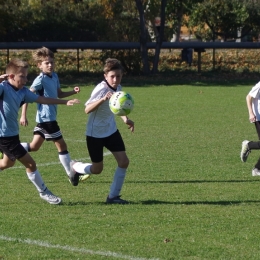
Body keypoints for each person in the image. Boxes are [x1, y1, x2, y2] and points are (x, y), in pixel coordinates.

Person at [0, 59, 80, 204]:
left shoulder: (23, 92)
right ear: (11, 77)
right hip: (4, 136)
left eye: (26, 76)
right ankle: (44, 192)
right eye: (22, 76)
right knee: (31, 164)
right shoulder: (3, 88)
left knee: (7, 163)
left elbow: (42, 99)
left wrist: (64, 102)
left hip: (12, 135)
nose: (26, 79)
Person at [68, 58, 134, 204]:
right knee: (97, 169)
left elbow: (118, 107)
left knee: (124, 162)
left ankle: (113, 197)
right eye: (112, 76)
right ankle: (75, 167)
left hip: (111, 131)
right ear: (105, 76)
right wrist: (103, 99)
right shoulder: (101, 88)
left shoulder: (119, 88)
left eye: (118, 76)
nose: (115, 79)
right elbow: (87, 109)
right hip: (95, 134)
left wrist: (126, 119)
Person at [20, 47, 80, 179]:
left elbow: (59, 94)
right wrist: (23, 115)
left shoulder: (55, 76)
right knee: (62, 145)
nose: (50, 65)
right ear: (39, 65)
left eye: (51, 62)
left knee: (34, 146)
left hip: (45, 119)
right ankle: (71, 174)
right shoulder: (40, 79)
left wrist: (73, 92)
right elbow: (27, 96)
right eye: (46, 63)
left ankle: (10, 148)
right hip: (47, 118)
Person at [241, 81, 260, 176]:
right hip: (259, 117)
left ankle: (257, 169)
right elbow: (248, 97)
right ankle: (249, 145)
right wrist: (251, 113)